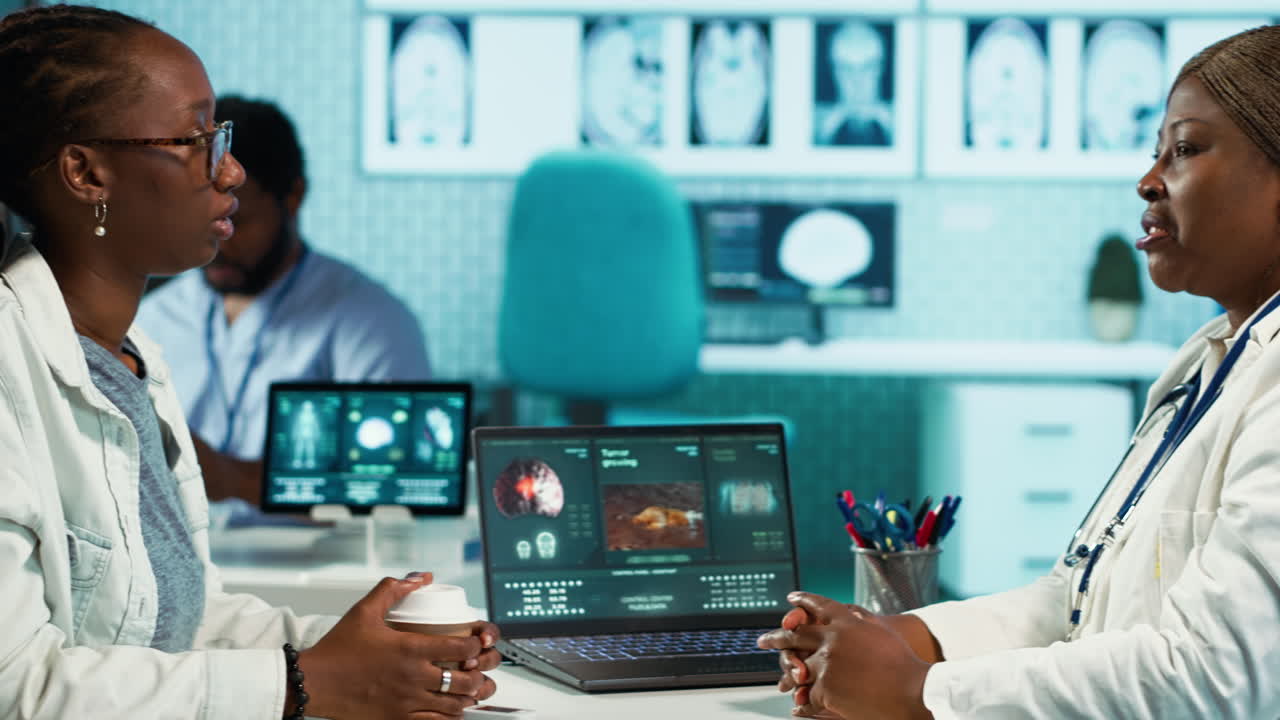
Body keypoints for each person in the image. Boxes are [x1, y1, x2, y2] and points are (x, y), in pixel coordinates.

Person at [760, 24, 1280, 719]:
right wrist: (901, 637)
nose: (1148, 180)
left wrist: (919, 692)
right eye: (1155, 153)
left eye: (1183, 150)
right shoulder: (1208, 358)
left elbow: (1219, 677)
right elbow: (1076, 600)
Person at [0, 6, 497, 718]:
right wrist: (303, 685)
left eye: (220, 137)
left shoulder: (134, 364)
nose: (229, 169)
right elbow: (18, 689)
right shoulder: (8, 368)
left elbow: (172, 625)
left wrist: (376, 652)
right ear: (86, 171)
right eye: (194, 138)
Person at [136, 96, 430, 510]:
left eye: (238, 218)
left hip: (318, 568)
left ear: (293, 196)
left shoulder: (373, 323)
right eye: (202, 215)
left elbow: (398, 491)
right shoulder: (151, 316)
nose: (220, 236)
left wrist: (232, 477)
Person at [813, 20, 893, 147]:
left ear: (881, 68)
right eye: (846, 69)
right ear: (833, 71)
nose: (857, 82)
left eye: (868, 68)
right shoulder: (811, 125)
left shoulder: (905, 121)